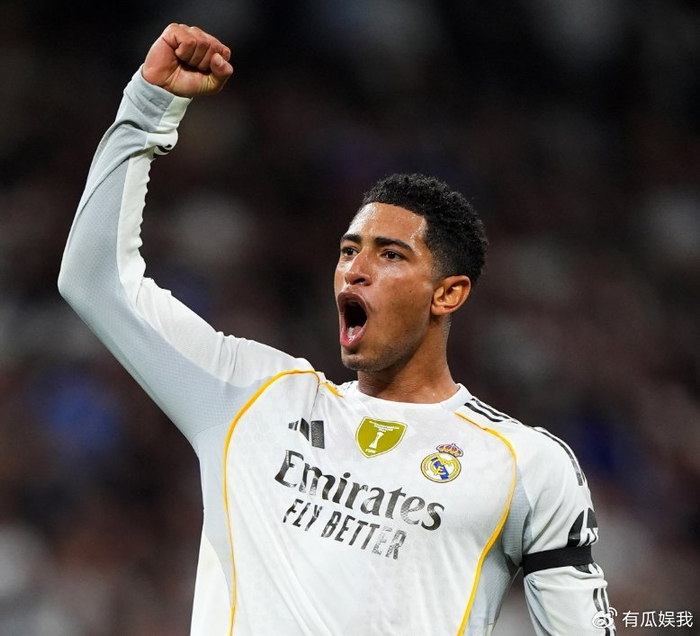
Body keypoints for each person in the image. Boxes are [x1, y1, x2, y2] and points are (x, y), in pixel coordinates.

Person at [59, 23, 616, 636]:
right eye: (349, 250)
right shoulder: (249, 397)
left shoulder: (525, 465)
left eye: (390, 254)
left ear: (448, 293)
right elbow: (95, 279)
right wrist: (147, 107)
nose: (355, 270)